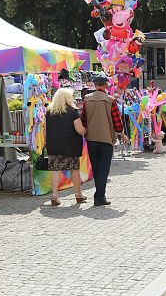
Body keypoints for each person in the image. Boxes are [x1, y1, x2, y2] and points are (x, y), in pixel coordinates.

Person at [80, 73, 128, 206]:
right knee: (104, 168)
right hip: (106, 138)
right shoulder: (110, 100)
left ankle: (99, 194)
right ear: (106, 85)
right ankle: (99, 197)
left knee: (96, 168)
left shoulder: (87, 99)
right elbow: (117, 121)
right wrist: (122, 134)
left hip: (91, 138)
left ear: (95, 85)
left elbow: (83, 119)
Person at [45, 88, 87, 206]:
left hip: (54, 145)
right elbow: (79, 130)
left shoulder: (49, 112)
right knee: (74, 170)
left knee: (55, 171)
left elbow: (45, 131)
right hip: (70, 146)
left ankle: (54, 196)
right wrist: (86, 128)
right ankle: (78, 195)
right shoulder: (73, 111)